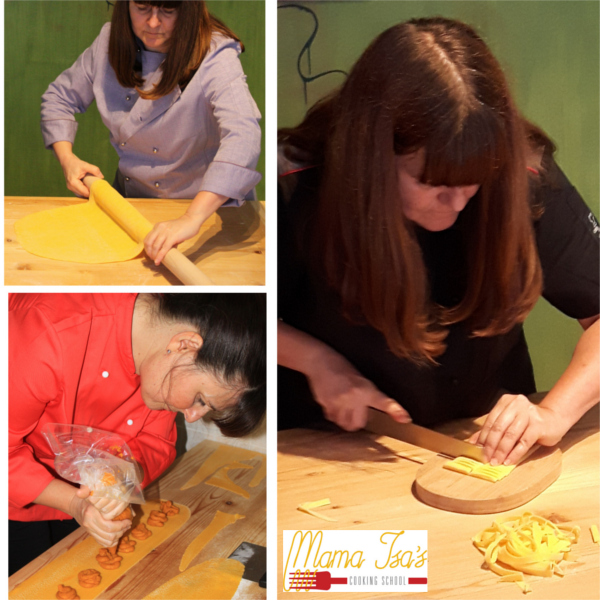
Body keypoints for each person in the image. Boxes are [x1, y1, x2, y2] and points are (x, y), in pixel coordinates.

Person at [278, 18, 599, 468]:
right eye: (433, 183)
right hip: (327, 450)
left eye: (475, 183)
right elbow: (230, 309)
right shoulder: (295, 183)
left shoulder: (520, 173)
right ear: (372, 156)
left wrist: (553, 412)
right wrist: (316, 361)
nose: (459, 202)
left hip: (486, 446)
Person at [9, 292, 266, 575]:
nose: (191, 415)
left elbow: (156, 444)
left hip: (82, 507)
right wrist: (73, 502)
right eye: (201, 400)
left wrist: (120, 476)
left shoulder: (165, 361)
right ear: (185, 346)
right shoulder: (48, 329)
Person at [41, 0, 262, 266]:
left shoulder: (214, 53)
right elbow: (58, 98)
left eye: (168, 10)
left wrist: (191, 218)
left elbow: (244, 135)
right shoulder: (108, 42)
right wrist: (68, 160)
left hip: (205, 211)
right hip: (131, 205)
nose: (154, 22)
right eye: (142, 7)